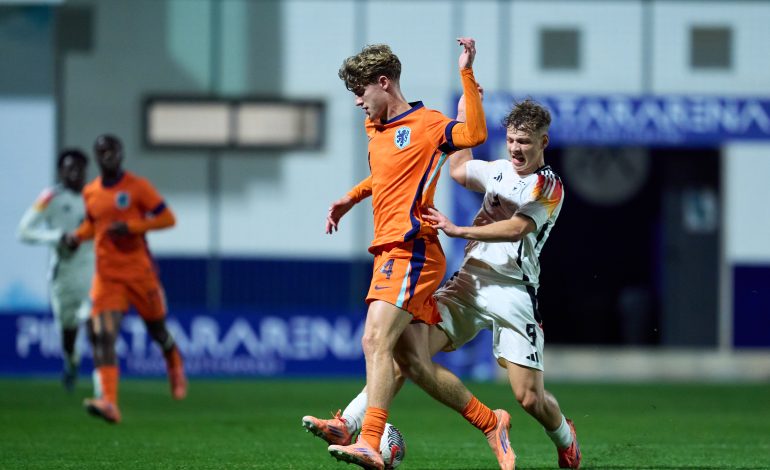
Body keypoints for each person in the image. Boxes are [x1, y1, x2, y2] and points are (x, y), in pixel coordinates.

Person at [306, 99, 581, 469]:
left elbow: (518, 228)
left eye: (525, 142)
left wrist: (459, 229)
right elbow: (460, 167)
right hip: (469, 283)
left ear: (543, 142)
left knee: (529, 398)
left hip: (515, 292)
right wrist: (466, 111)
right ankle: (348, 424)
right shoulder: (498, 170)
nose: (516, 148)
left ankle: (565, 437)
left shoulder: (549, 187)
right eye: (512, 140)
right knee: (407, 354)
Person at [310, 39, 516, 470]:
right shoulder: (376, 129)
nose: (357, 102)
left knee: (373, 339)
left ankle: (365, 437)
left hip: (412, 250)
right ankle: (491, 422)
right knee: (414, 364)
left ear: (383, 83)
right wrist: (350, 199)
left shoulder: (425, 125)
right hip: (389, 251)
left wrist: (467, 74)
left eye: (360, 92)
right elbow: (382, 177)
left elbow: (474, 134)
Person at [62, 134, 187, 424]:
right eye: (102, 151)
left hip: (140, 274)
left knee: (158, 332)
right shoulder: (91, 192)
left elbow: (168, 218)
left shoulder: (137, 187)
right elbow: (93, 225)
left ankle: (174, 365)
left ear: (121, 154)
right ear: (97, 156)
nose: (108, 155)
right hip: (107, 277)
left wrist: (132, 226)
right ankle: (109, 402)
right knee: (103, 335)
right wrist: (76, 237)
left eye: (112, 150)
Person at [17, 149, 94, 392]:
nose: (74, 173)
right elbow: (24, 231)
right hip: (64, 276)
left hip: (93, 272)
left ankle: (104, 389)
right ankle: (71, 361)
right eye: (69, 168)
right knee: (69, 333)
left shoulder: (96, 196)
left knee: (97, 324)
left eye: (79, 168)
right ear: (61, 171)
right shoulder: (50, 197)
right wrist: (57, 237)